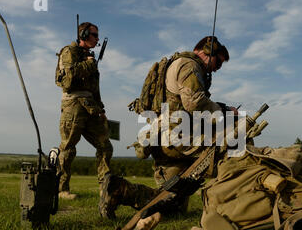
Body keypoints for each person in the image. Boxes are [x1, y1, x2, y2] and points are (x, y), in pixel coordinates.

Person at [99, 36, 237, 219]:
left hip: (162, 139)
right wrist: (225, 111)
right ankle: (234, 207)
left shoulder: (175, 64)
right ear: (207, 51)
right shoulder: (190, 66)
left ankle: (121, 190)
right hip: (179, 139)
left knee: (173, 206)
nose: (216, 69)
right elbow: (194, 104)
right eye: (218, 62)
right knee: (229, 150)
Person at [55, 22, 113, 201]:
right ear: (84, 34)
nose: (97, 39)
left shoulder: (89, 57)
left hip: (91, 106)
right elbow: (68, 80)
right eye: (94, 35)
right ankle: (61, 189)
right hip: (73, 105)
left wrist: (100, 108)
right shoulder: (69, 52)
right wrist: (88, 65)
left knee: (105, 146)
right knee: (68, 148)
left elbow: (95, 88)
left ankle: (105, 189)